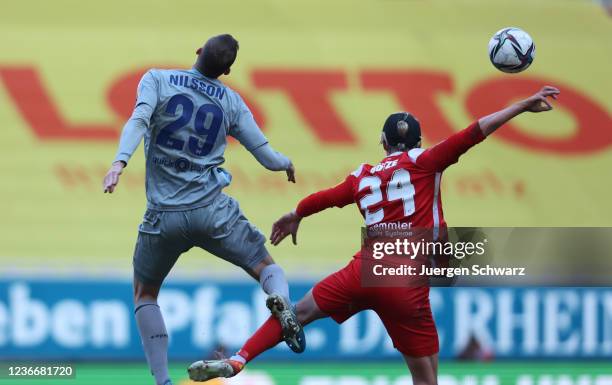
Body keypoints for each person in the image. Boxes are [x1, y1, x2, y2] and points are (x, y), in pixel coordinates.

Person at [188, 86, 560, 385]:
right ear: (415, 143)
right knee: (426, 376)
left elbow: (326, 198)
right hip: (406, 278)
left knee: (299, 311)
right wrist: (522, 105)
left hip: (364, 269)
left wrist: (295, 214)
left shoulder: (363, 174)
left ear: (383, 143)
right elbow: (474, 131)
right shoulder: (426, 161)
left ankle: (239, 359)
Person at [102, 34, 305, 385]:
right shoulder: (231, 101)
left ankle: (163, 380)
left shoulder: (157, 80)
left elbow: (137, 121)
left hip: (162, 216)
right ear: (226, 70)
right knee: (265, 268)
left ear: (197, 51)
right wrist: (286, 164)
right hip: (213, 211)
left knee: (145, 294)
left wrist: (119, 163)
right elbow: (266, 155)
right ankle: (280, 300)